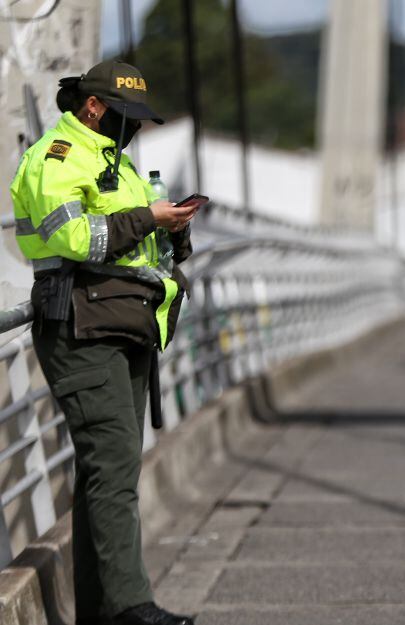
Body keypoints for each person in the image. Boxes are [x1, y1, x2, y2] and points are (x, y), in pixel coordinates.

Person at [10, 61, 198, 625]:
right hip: (81, 326)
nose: (134, 129)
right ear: (94, 108)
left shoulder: (117, 162)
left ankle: (100, 610)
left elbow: (148, 249)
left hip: (122, 323)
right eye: (126, 117)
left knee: (107, 470)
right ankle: (130, 607)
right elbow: (75, 239)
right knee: (113, 466)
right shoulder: (56, 157)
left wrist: (174, 228)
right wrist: (147, 216)